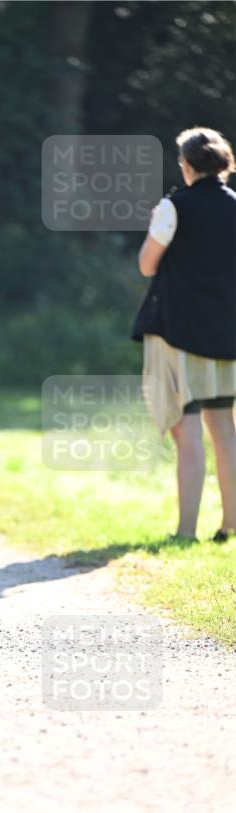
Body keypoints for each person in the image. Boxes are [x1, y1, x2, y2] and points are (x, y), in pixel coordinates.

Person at [134, 126, 236, 542]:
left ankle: (186, 530)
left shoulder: (174, 207)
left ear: (188, 164)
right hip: (226, 332)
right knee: (224, 428)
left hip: (177, 331)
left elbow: (146, 264)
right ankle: (230, 525)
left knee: (186, 429)